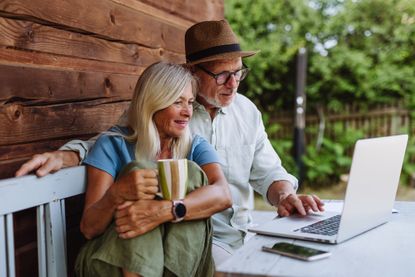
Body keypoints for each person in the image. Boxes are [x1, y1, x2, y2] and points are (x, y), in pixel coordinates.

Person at [16, 20, 324, 265]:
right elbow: (116, 139)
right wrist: (67, 156)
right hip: (191, 236)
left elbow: (269, 172)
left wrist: (285, 195)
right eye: (222, 75)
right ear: (193, 71)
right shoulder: (165, 114)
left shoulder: (247, 112)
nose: (233, 84)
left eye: (238, 73)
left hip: (243, 232)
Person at [74, 62, 231, 276]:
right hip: (110, 260)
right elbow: (89, 228)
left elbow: (223, 194)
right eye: (177, 102)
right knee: (138, 171)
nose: (187, 112)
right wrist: (116, 194)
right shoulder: (112, 144)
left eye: (190, 103)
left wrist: (165, 211)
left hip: (179, 264)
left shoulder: (195, 145)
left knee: (191, 173)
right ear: (152, 102)